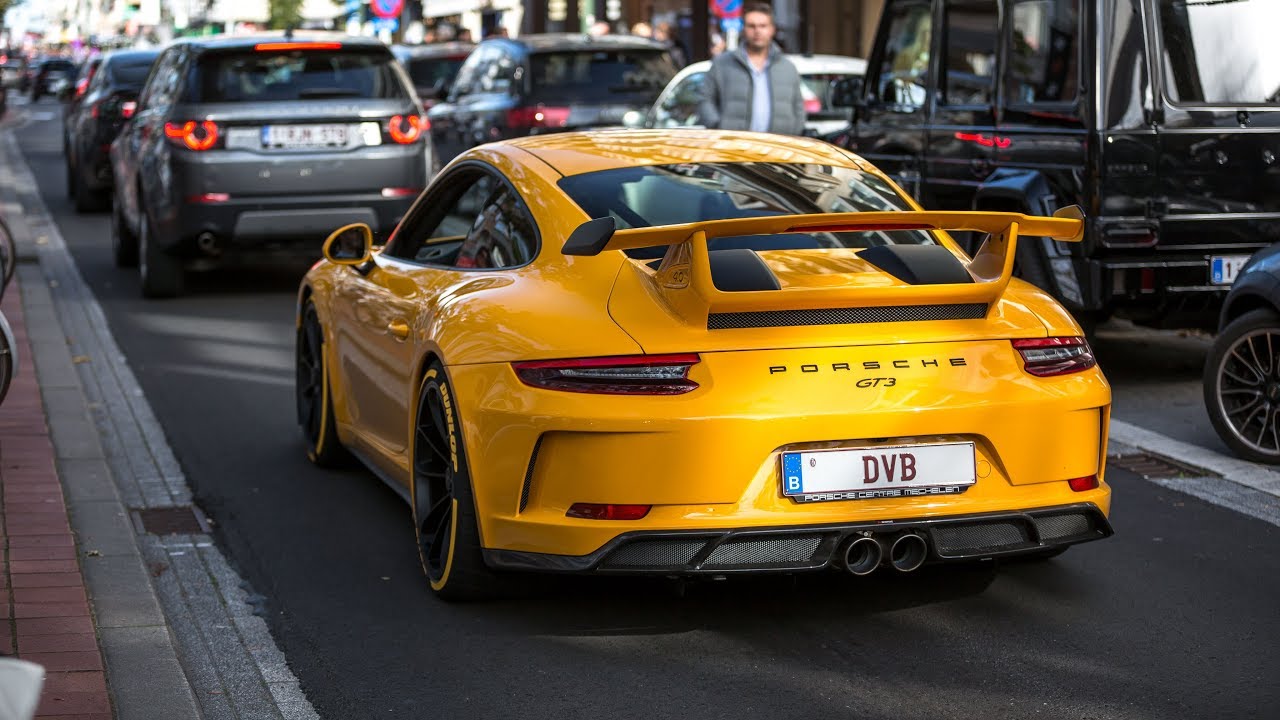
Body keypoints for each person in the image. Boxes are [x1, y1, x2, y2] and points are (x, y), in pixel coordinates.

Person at [697, 3, 804, 135]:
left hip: (778, 148)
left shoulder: (787, 68)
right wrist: (717, 126)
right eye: (751, 26)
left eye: (762, 26)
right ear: (744, 28)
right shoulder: (722, 64)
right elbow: (705, 99)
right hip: (734, 147)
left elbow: (798, 108)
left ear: (772, 29)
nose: (757, 31)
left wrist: (793, 134)